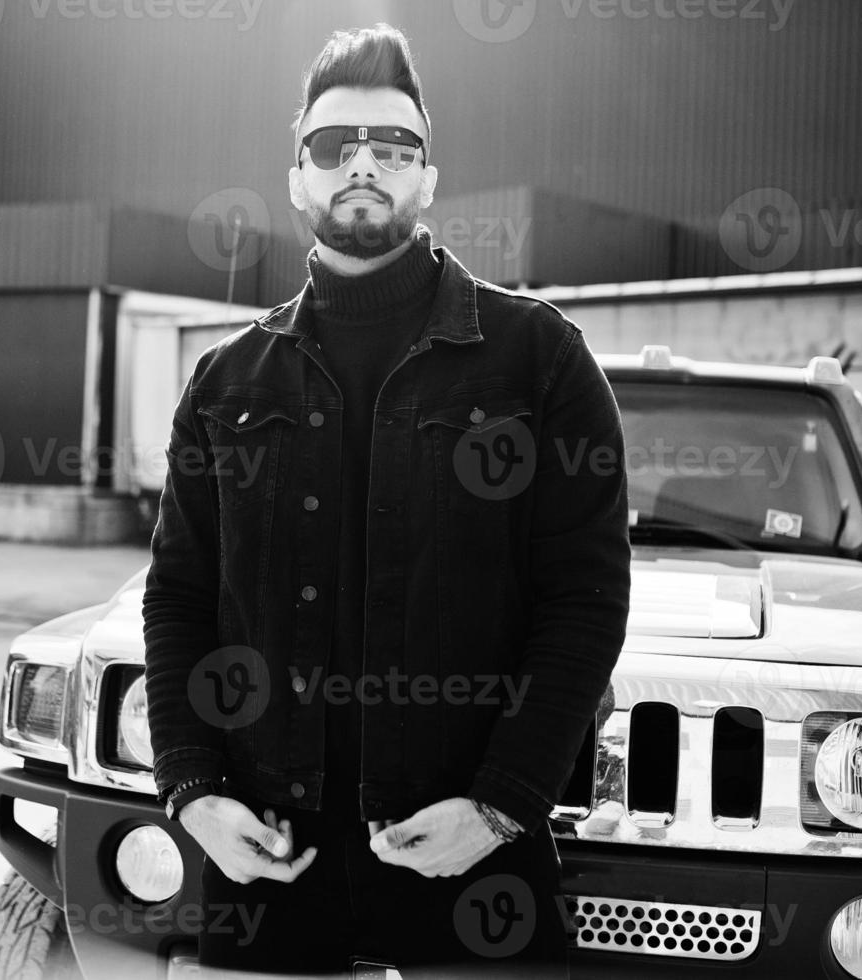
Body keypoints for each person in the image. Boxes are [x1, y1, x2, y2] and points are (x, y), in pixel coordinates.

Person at [142, 22, 631, 978]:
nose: (361, 163)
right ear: (297, 177)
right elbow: (179, 599)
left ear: (427, 179)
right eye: (333, 146)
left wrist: (501, 802)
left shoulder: (537, 359)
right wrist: (195, 790)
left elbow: (584, 600)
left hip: (472, 855)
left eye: (392, 147)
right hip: (268, 858)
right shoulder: (225, 382)